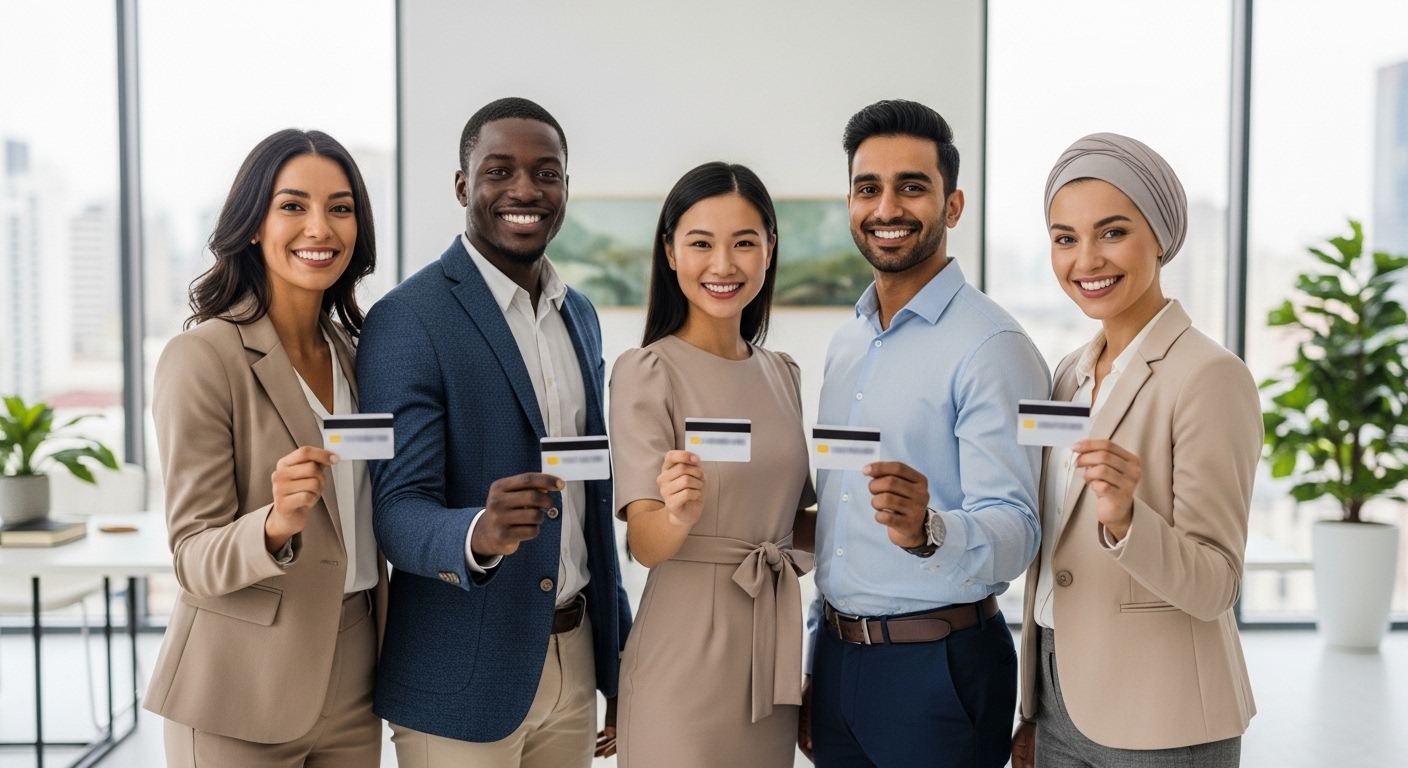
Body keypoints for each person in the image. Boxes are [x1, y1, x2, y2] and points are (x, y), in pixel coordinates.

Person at [356, 97, 631, 768]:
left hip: (573, 661)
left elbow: (590, 506)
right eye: (499, 171)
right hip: (461, 677)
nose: (525, 190)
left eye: (546, 173)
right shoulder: (408, 319)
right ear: (462, 186)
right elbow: (396, 510)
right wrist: (478, 532)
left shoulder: (580, 314)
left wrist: (618, 661)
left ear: (565, 187)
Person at [797, 99, 1049, 768]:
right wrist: (819, 659)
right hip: (839, 662)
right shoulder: (847, 343)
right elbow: (841, 522)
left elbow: (1019, 528)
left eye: (911, 187)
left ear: (953, 205)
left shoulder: (993, 346)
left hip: (939, 669)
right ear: (850, 203)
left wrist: (928, 530)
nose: (887, 207)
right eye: (868, 188)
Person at [1009, 133, 1259, 768]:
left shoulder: (1210, 376)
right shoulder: (1068, 374)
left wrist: (1126, 520)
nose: (1086, 259)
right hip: (1059, 696)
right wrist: (1033, 708)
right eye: (1065, 238)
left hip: (1164, 716)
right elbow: (1056, 551)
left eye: (1112, 232)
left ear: (1160, 238)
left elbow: (1217, 585)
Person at [146, 129, 386, 766]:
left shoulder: (360, 356)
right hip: (238, 685)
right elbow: (192, 558)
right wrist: (275, 524)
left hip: (357, 670)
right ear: (253, 224)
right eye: (292, 206)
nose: (320, 228)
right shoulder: (202, 358)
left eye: (340, 208)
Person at [610, 162, 816, 767]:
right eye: (701, 243)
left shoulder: (783, 373)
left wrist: (877, 503)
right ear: (670, 252)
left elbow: (796, 524)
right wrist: (679, 514)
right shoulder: (647, 371)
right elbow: (646, 544)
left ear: (769, 250)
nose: (723, 265)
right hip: (683, 663)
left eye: (743, 243)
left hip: (769, 660)